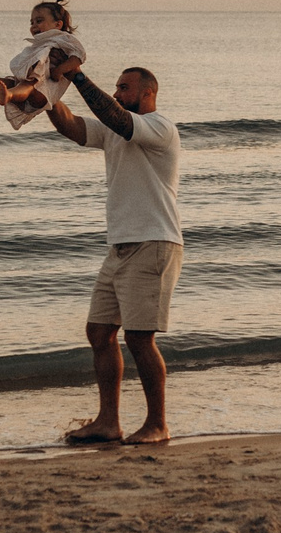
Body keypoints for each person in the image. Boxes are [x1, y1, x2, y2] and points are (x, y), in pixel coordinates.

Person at [44, 53, 182, 445]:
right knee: (99, 333)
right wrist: (50, 93)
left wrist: (80, 77)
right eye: (117, 87)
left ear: (148, 92)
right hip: (119, 247)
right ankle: (109, 422)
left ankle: (158, 424)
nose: (118, 92)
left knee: (140, 338)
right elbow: (71, 126)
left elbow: (119, 119)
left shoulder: (157, 127)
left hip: (154, 242)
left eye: (125, 87)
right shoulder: (114, 130)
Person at [0, 0, 87, 128]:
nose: (34, 26)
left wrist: (60, 70)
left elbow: (79, 55)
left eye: (39, 21)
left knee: (28, 84)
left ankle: (9, 95)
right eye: (31, 22)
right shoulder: (39, 44)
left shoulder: (64, 39)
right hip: (24, 90)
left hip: (43, 93)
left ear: (58, 24)